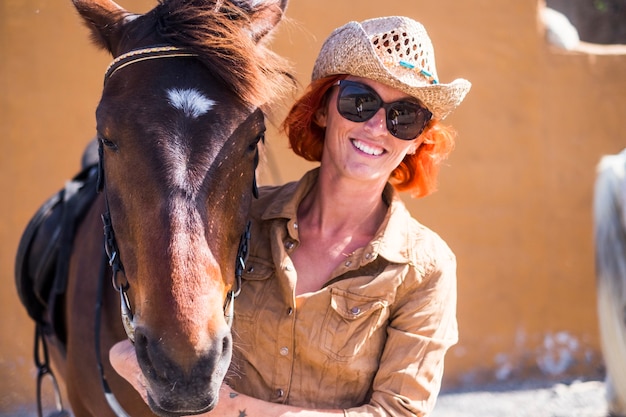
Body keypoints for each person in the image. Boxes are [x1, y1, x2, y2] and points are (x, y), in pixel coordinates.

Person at [110, 15, 471, 416]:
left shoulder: (426, 268)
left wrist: (221, 406)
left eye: (404, 116)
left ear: (419, 138)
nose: (376, 126)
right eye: (359, 101)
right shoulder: (241, 220)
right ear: (321, 110)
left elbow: (399, 413)